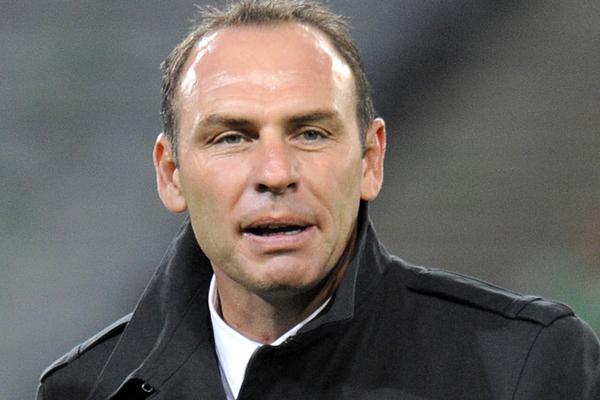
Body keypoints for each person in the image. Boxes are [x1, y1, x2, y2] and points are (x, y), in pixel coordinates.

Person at [37, 1, 600, 399]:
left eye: (310, 133)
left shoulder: (525, 367)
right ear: (171, 175)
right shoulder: (87, 389)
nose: (276, 173)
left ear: (371, 160)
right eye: (231, 138)